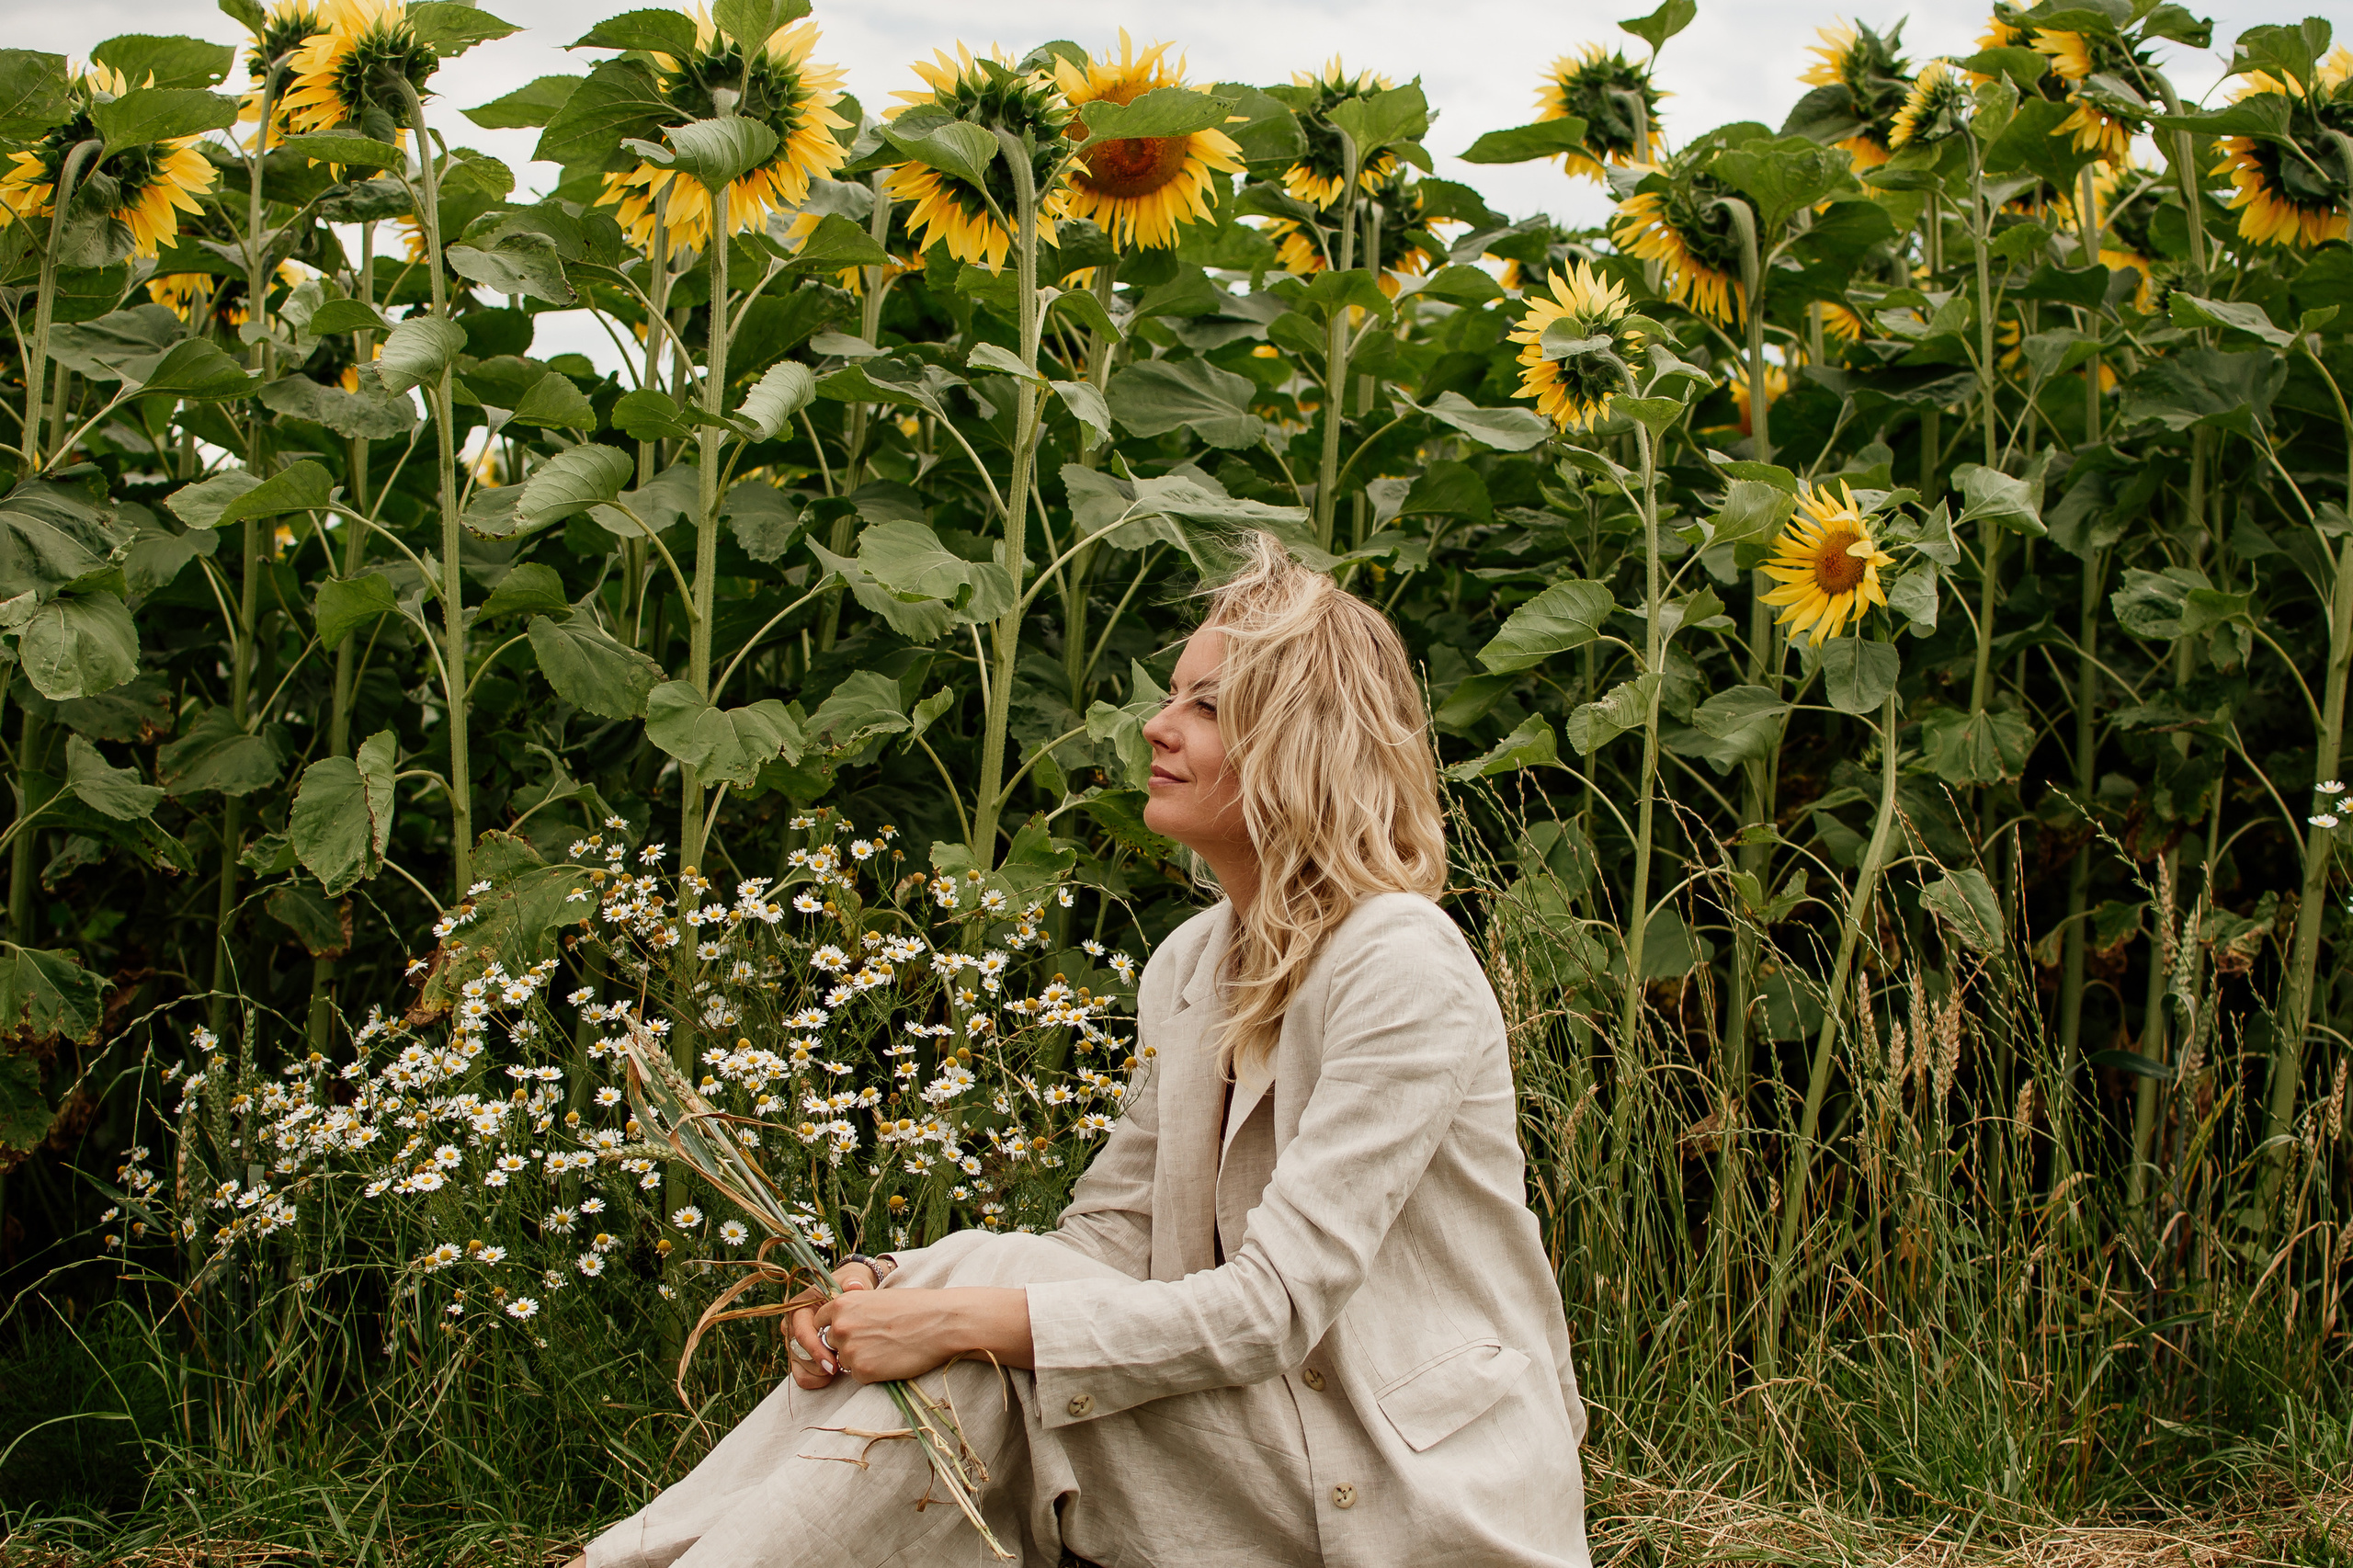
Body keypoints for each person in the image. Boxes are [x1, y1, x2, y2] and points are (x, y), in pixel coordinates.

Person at [581, 534, 1591, 1567]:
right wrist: (890, 1283)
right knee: (972, 1334)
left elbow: (1274, 1305)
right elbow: (1106, 1240)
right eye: (1173, 695)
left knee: (978, 1340)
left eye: (1206, 705)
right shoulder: (1194, 959)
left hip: (1412, 1487)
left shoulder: (1398, 959)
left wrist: (954, 1314)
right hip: (1276, 1437)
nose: (1157, 726)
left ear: (1302, 742)